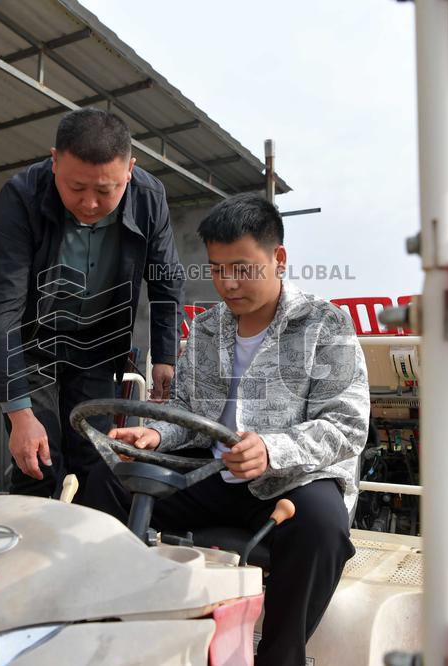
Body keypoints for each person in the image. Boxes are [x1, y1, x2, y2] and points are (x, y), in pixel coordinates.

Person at [80, 193, 370, 666]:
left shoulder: (325, 324)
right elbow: (186, 410)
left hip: (290, 480)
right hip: (214, 475)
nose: (228, 283)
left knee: (323, 526)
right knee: (106, 478)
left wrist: (272, 450)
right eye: (217, 269)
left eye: (241, 268)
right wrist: (155, 436)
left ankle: (279, 655)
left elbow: (345, 425)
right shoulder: (209, 328)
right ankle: (105, 624)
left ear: (278, 259)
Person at [0, 108, 185, 499]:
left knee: (95, 456)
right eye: (75, 188)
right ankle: (33, 554)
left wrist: (165, 356)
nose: (89, 203)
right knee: (38, 458)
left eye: (106, 191)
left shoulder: (149, 197)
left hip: (97, 345)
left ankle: (87, 553)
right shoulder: (20, 196)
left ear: (130, 170)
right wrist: (20, 416)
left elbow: (166, 279)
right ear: (54, 161)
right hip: (29, 342)